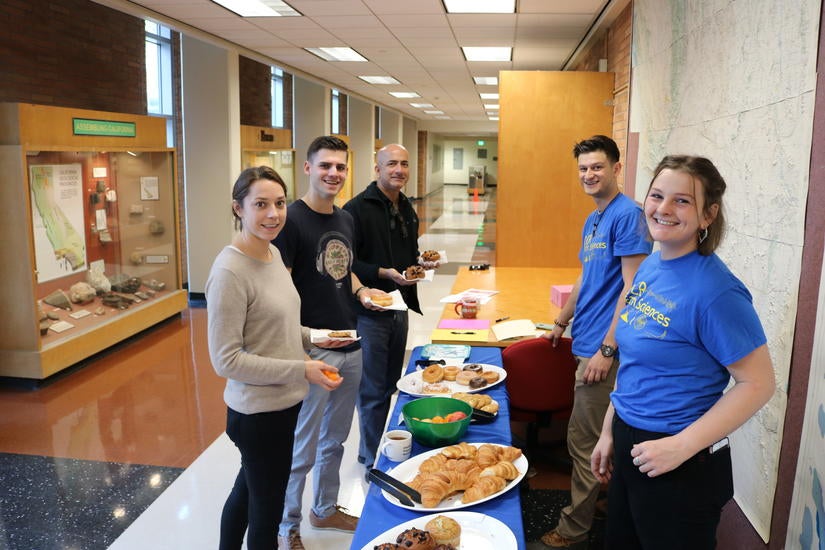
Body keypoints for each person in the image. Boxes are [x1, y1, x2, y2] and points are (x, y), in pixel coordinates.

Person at [590, 155, 775, 548]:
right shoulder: (651, 267)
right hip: (630, 438)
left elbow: (758, 383)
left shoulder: (717, 291)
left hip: (680, 456)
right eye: (657, 196)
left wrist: (682, 446)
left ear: (708, 215)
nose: (663, 209)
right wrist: (610, 429)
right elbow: (634, 363)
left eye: (682, 201)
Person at [205, 166, 344, 550]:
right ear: (238, 208)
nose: (273, 214)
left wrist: (316, 337)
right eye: (261, 205)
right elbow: (227, 360)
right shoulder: (230, 271)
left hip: (283, 405)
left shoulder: (273, 252)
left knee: (248, 493)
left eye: (280, 203)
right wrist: (303, 368)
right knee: (266, 517)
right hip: (257, 415)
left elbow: (277, 326)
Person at [274, 136, 386, 550]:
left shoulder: (345, 219)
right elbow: (280, 291)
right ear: (308, 168)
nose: (333, 174)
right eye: (325, 166)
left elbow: (344, 270)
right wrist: (298, 349)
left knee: (336, 438)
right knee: (302, 446)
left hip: (350, 341)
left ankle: (324, 508)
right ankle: (288, 527)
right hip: (312, 348)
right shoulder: (291, 221)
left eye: (340, 167)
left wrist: (361, 293)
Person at [540, 135, 652, 548]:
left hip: (603, 351)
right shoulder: (594, 219)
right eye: (584, 169)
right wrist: (560, 320)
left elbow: (631, 288)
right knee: (601, 439)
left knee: (584, 440)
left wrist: (608, 349)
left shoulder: (629, 216)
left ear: (617, 168)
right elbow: (586, 275)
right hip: (584, 340)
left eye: (597, 167)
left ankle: (574, 530)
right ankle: (605, 502)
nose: (589, 175)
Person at [343, 143, 432, 471]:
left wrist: (418, 264)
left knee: (393, 381)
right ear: (377, 168)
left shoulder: (406, 206)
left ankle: (386, 447)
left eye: (404, 164)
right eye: (391, 163)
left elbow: (409, 250)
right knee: (372, 389)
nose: (399, 169)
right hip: (370, 313)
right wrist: (383, 273)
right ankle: (369, 459)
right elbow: (348, 263)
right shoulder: (356, 210)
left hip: (399, 308)